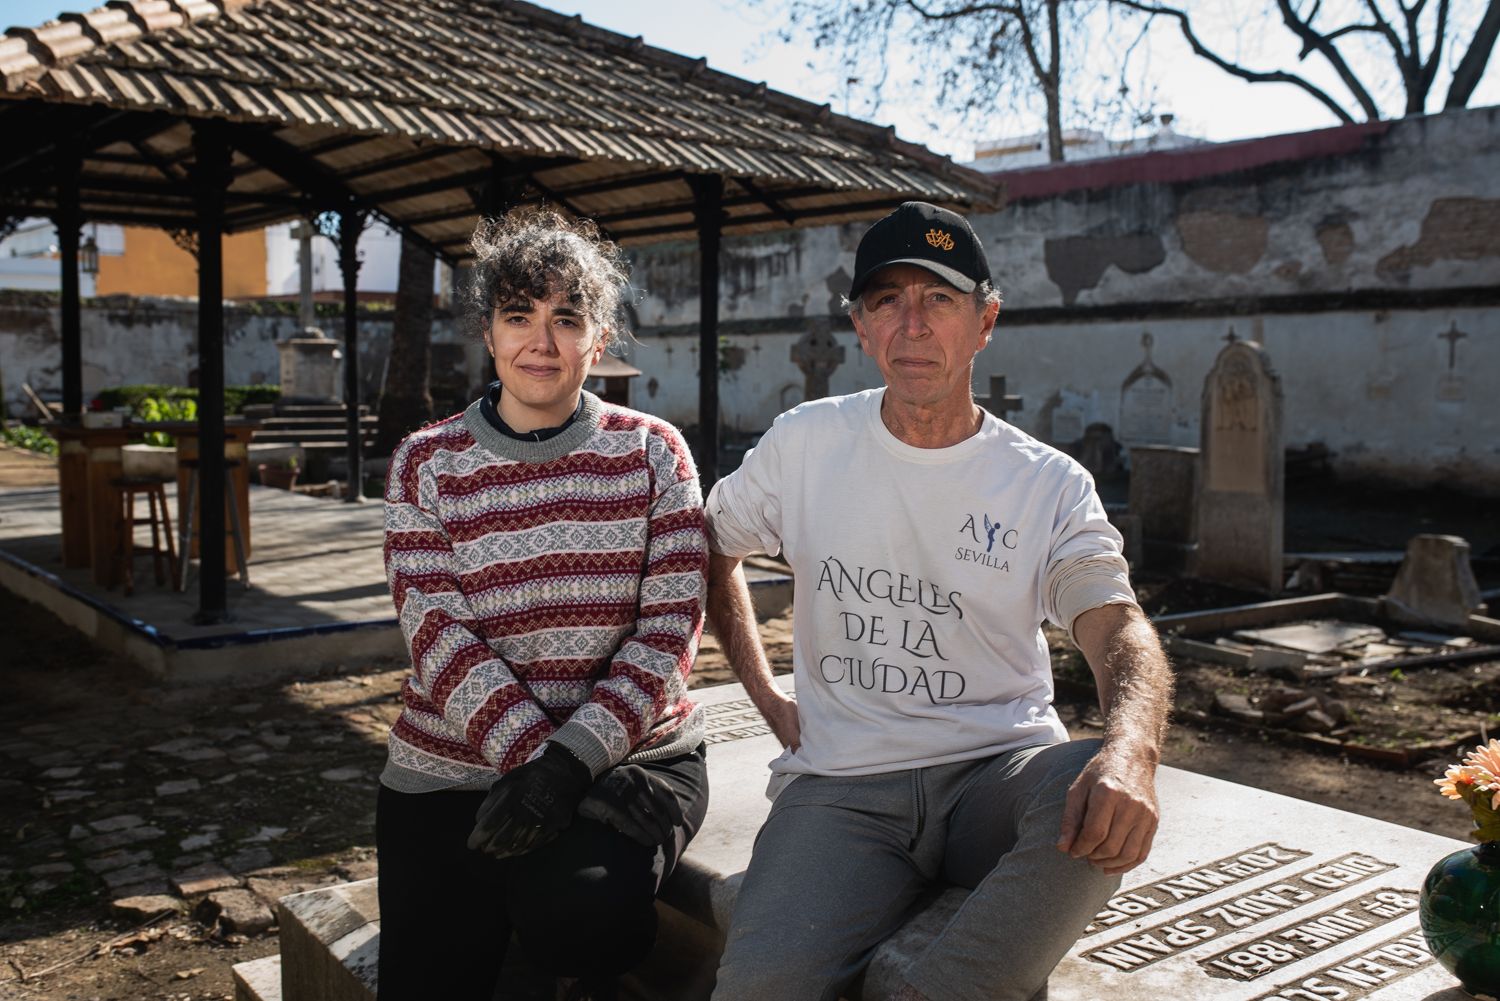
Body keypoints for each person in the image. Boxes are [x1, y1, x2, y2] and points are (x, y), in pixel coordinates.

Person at [703, 201, 1174, 1001]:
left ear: (985, 321)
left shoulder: (1045, 482)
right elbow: (714, 546)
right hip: (843, 788)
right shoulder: (805, 444)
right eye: (888, 299)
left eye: (940, 299)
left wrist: (1133, 748)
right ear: (861, 325)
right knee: (761, 983)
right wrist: (767, 693)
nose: (913, 324)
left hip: (997, 773)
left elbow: (1114, 626)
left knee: (1094, 800)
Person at [377, 208, 710, 1001]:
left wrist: (571, 764)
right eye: (519, 315)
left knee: (582, 917)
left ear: (599, 339)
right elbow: (439, 636)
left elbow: (669, 631)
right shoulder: (426, 463)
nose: (542, 341)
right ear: (488, 333)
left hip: (631, 759)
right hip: (453, 764)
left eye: (567, 318)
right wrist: (545, 767)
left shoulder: (653, 452)